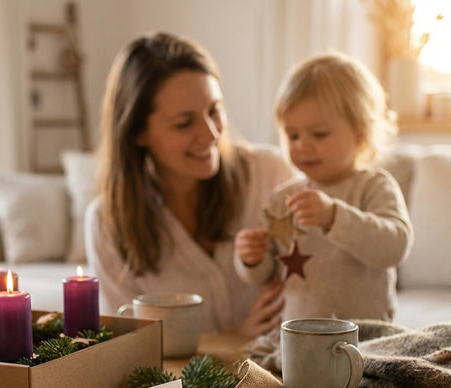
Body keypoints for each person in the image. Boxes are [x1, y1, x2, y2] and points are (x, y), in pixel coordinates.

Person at [84, 31, 296, 340]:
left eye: (214, 110)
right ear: (137, 133)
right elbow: (129, 347)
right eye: (184, 123)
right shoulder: (107, 223)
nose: (211, 133)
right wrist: (231, 338)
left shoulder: (270, 175)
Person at [234, 51, 412, 324]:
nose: (302, 145)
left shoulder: (374, 186)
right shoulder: (282, 200)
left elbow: (394, 247)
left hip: (365, 338)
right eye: (292, 135)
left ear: (360, 134)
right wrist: (251, 259)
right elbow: (268, 275)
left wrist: (334, 217)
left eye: (318, 134)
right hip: (297, 337)